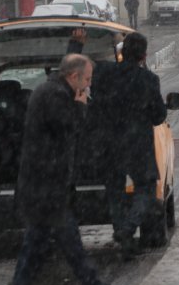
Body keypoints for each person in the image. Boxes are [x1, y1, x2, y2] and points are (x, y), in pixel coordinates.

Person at [2, 54, 127, 285]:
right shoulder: (56, 95)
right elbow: (67, 127)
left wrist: (77, 47)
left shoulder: (54, 89)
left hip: (45, 185)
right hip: (44, 186)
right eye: (87, 80)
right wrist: (81, 107)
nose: (88, 86)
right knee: (51, 241)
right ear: (73, 77)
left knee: (54, 241)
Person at [70, 30, 167, 260]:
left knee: (115, 191)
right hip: (138, 146)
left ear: (122, 53)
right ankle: (127, 229)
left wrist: (76, 43)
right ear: (144, 56)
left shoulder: (104, 72)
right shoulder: (149, 80)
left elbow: (74, 67)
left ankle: (121, 232)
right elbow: (158, 117)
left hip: (108, 144)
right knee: (145, 189)